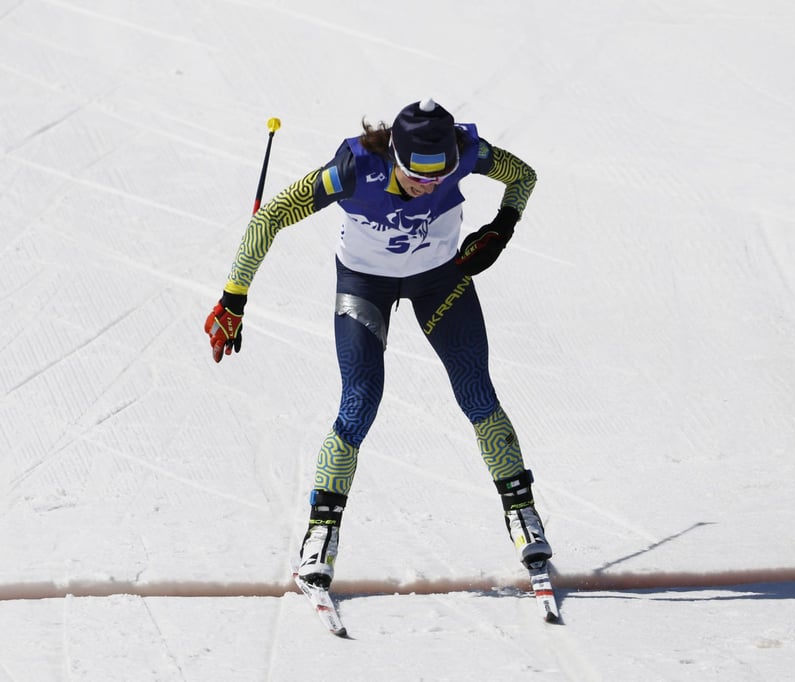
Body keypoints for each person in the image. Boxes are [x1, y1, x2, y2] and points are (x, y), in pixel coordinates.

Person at [205, 98, 552, 589]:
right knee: (359, 402)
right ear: (393, 153)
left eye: (439, 176)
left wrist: (502, 227)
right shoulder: (355, 167)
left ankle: (523, 514)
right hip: (365, 284)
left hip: (439, 280)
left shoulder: (468, 150)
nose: (427, 186)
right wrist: (233, 300)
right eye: (416, 175)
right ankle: (320, 535)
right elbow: (271, 217)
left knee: (477, 392)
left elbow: (524, 176)